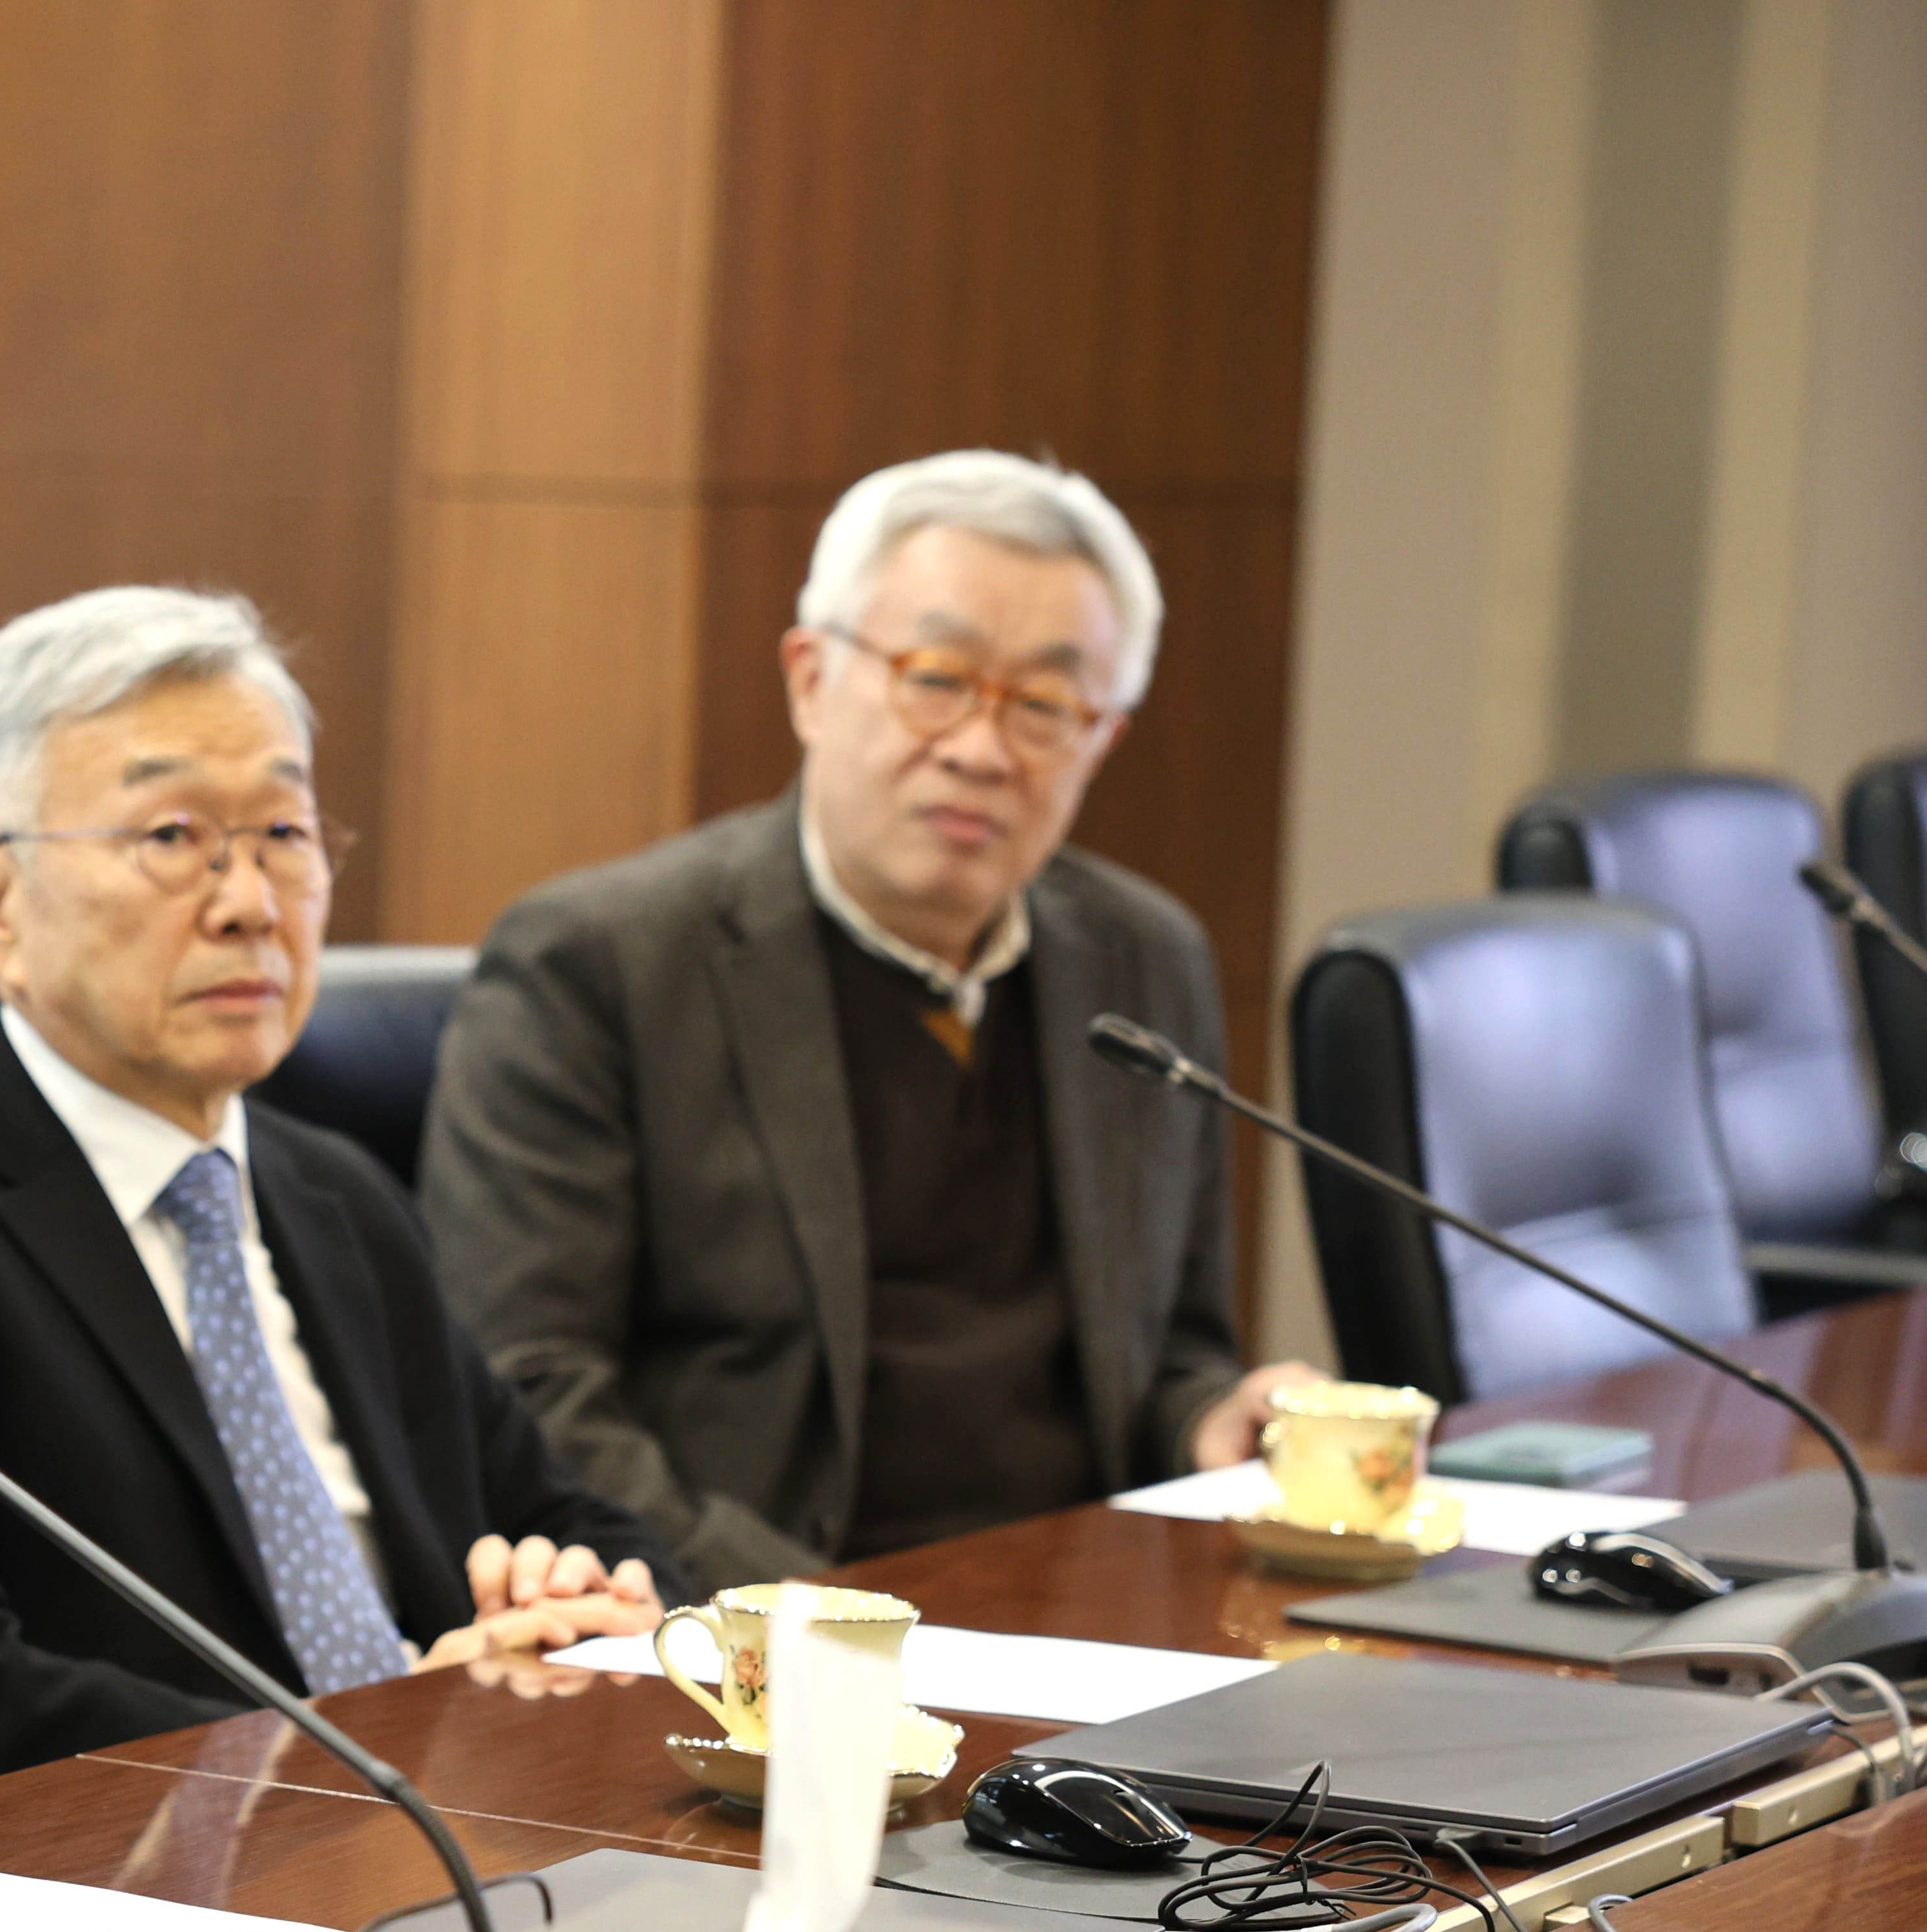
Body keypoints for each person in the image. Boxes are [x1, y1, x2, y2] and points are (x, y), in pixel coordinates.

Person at [0, 586, 685, 1809]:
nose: (251, 902)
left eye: (285, 833)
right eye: (171, 837)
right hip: (134, 1886)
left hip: (463, 1842)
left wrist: (587, 1614)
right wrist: (388, 1744)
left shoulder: (335, 1194)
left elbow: (577, 1518)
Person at [425, 451, 1319, 1596]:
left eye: (1044, 706)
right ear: (811, 679)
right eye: (935, 679)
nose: (980, 750)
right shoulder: (600, 964)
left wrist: (1212, 1420)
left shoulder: (1144, 959)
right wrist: (825, 1621)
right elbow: (527, 1394)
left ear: (1103, 736)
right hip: (763, 1619)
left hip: (1088, 1618)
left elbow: (1174, 1349)